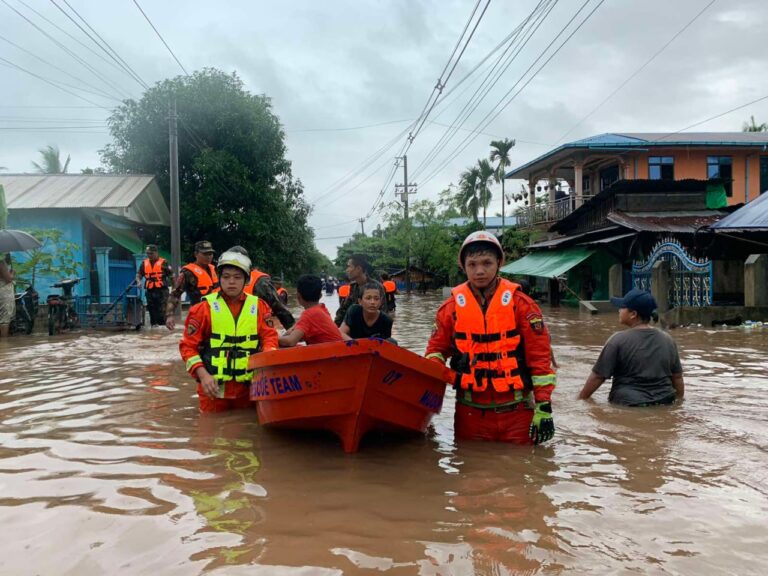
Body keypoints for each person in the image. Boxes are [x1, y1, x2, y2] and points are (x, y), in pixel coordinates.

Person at [425, 231, 557, 445]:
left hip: (518, 413)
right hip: (470, 414)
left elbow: (540, 361)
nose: (479, 271)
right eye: (472, 264)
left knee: (521, 473)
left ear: (499, 263)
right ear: (463, 266)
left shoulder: (522, 306)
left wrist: (544, 408)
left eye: (487, 263)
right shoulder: (449, 310)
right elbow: (434, 353)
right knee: (469, 472)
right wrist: (441, 379)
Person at [179, 248, 278, 412]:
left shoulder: (260, 307)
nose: (231, 282)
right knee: (210, 432)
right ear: (219, 278)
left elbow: (269, 338)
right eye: (226, 277)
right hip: (213, 389)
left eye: (237, 277)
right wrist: (203, 376)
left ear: (246, 280)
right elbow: (188, 347)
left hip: (249, 389)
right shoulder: (203, 309)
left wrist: (267, 364)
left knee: (247, 432)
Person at [578, 288, 684, 406]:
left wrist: (580, 399)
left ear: (633, 314)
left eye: (622, 307)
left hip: (628, 403)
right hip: (665, 401)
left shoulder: (617, 340)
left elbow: (598, 376)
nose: (619, 310)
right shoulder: (668, 340)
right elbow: (677, 377)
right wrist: (679, 403)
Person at [230, 246, 295, 329]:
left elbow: (278, 307)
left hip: (255, 331)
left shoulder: (260, 281)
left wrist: (293, 331)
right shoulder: (223, 279)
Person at [165, 240, 219, 330]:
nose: (208, 257)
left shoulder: (216, 270)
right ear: (196, 254)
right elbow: (175, 295)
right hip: (198, 316)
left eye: (210, 254)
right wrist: (169, 315)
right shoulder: (187, 272)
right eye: (205, 254)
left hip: (217, 314)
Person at [279, 274, 344, 347]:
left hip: (332, 355)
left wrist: (272, 338)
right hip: (336, 350)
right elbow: (293, 330)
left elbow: (290, 341)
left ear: (298, 296)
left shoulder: (309, 314)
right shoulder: (322, 308)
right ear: (320, 296)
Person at [334, 254, 386, 326]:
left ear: (358, 268)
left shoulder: (377, 286)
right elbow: (343, 310)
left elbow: (383, 312)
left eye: (349, 266)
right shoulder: (353, 287)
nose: (347, 270)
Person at [135, 244, 173, 327]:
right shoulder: (144, 263)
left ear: (156, 252)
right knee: (151, 309)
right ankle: (154, 327)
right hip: (150, 290)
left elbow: (171, 275)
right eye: (148, 253)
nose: (149, 255)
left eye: (151, 253)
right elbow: (139, 274)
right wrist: (138, 281)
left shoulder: (164, 262)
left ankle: (163, 327)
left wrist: (174, 287)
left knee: (162, 309)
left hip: (162, 290)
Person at [0, 254, 15, 338]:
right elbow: (8, 279)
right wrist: (12, 273)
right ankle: (4, 345)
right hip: (3, 293)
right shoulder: (1, 263)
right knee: (4, 319)